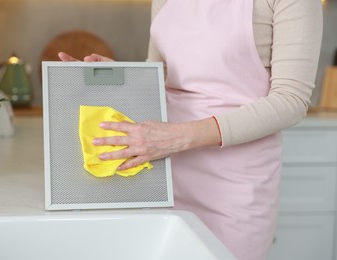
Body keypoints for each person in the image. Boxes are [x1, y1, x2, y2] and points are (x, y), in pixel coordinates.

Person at [59, 0, 323, 259]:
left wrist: (176, 138)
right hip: (165, 172)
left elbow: (291, 100)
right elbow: (160, 77)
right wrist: (117, 78)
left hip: (235, 184)